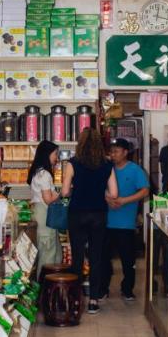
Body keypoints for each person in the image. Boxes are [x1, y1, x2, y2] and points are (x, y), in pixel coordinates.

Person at [61, 127, 117, 314]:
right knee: (96, 257)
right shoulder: (107, 164)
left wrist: (75, 189)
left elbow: (65, 191)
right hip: (98, 214)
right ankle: (94, 300)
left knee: (77, 257)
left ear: (80, 143)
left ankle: (76, 300)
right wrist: (102, 192)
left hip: (77, 213)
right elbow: (114, 193)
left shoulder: (73, 163)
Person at [101, 138, 150, 301]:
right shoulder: (107, 168)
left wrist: (124, 200)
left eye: (116, 151)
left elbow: (144, 191)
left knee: (128, 260)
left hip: (126, 224)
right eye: (111, 151)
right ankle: (103, 288)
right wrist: (108, 198)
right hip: (106, 222)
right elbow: (98, 186)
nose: (113, 154)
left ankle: (127, 289)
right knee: (103, 259)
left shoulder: (135, 170)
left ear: (125, 152)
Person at [27, 141, 62, 270]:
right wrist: (63, 193)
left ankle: (46, 288)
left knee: (51, 254)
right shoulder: (45, 175)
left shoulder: (38, 172)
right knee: (48, 257)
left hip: (41, 215)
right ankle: (45, 288)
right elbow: (48, 199)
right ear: (47, 154)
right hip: (45, 217)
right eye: (55, 154)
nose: (56, 158)